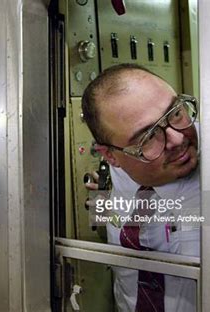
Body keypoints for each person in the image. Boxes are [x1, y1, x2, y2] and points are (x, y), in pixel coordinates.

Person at [82, 63, 200, 312]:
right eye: (148, 138)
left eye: (176, 112)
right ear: (112, 155)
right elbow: (112, 230)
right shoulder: (115, 170)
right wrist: (102, 209)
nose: (178, 138)